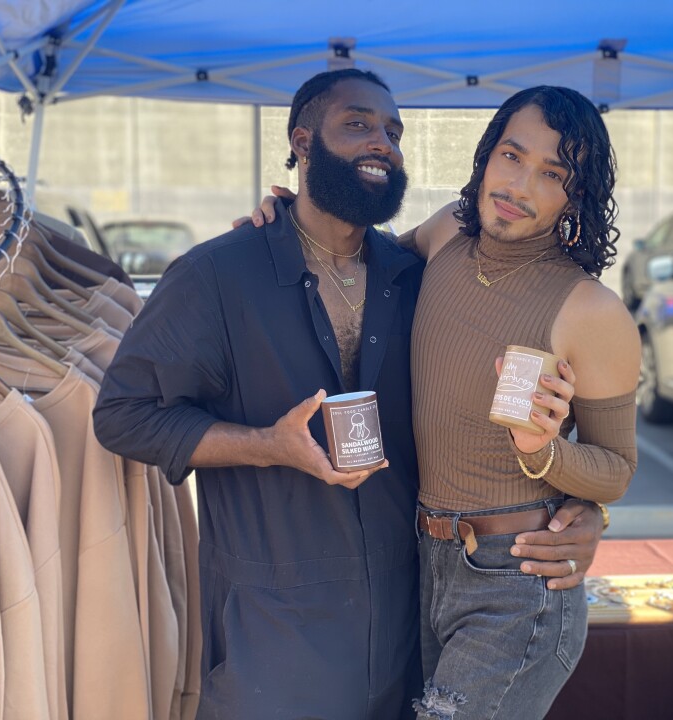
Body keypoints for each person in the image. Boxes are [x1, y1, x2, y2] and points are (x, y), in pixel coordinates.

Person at [93, 69, 604, 720]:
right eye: (357, 124)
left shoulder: (416, 275)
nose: (382, 143)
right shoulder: (218, 275)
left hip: (409, 637)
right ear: (301, 141)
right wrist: (268, 446)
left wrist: (582, 512)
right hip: (273, 648)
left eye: (393, 132)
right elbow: (123, 416)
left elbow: (565, 404)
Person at [247, 85, 639, 719]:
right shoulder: (447, 233)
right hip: (423, 564)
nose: (520, 185)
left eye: (552, 173)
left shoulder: (592, 311)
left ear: (577, 194)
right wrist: (297, 216)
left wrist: (544, 456)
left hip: (515, 584)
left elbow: (617, 467)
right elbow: (354, 265)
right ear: (486, 156)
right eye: (511, 156)